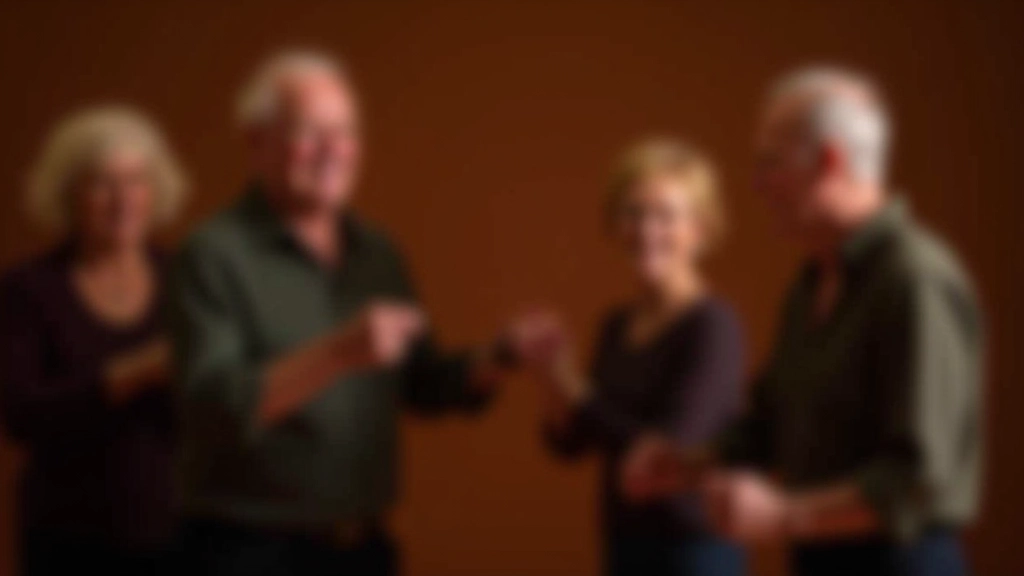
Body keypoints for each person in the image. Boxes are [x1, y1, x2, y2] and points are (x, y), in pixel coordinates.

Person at [170, 50, 526, 576]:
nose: (333, 150)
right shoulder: (212, 254)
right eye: (310, 132)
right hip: (247, 552)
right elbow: (213, 408)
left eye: (345, 132)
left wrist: (498, 357)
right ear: (256, 143)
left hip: (361, 549)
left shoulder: (378, 253)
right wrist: (338, 352)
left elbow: (420, 382)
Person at [621, 67, 984, 576]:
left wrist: (786, 516)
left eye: (771, 162)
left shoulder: (914, 279)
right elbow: (771, 424)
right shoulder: (811, 282)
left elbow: (920, 480)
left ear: (830, 162)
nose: (757, 184)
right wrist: (687, 464)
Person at [522, 139, 746, 576]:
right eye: (634, 213)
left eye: (665, 215)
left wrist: (573, 387)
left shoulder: (713, 325)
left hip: (693, 552)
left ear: (699, 229)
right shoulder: (616, 324)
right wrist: (548, 372)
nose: (646, 230)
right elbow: (570, 443)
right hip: (624, 546)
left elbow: (671, 452)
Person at [0, 107, 187, 576]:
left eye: (136, 181)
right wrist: (135, 373)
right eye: (102, 183)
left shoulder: (186, 279)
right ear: (69, 195)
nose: (123, 200)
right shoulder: (28, 289)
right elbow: (20, 415)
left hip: (179, 536)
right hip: (68, 542)